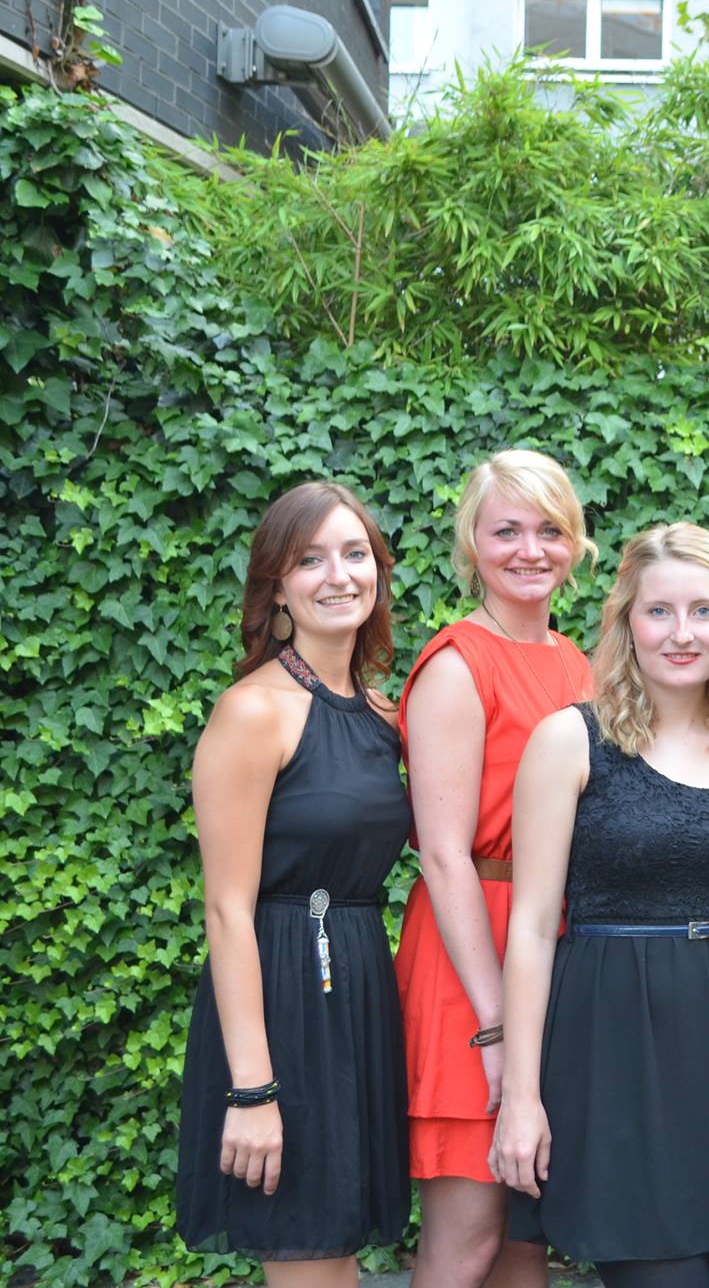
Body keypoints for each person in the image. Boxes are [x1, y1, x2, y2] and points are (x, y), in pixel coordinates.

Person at [491, 524, 709, 1288]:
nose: (681, 633)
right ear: (627, 621)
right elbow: (532, 928)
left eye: (702, 611)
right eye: (659, 611)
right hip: (611, 1054)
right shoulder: (569, 741)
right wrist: (522, 1097)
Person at [175, 482, 411, 1283]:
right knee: (303, 1252)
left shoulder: (383, 713)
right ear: (277, 586)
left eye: (355, 554)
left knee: (336, 1253)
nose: (338, 576)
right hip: (278, 998)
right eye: (311, 560)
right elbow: (225, 909)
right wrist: (252, 1089)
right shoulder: (253, 712)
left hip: (357, 988)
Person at [393, 449, 597, 1288]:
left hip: (554, 946)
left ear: (575, 542)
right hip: (470, 959)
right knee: (470, 1237)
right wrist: (495, 1025)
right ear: (471, 545)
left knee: (524, 1240)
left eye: (550, 529)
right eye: (506, 530)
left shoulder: (580, 663)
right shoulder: (457, 664)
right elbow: (444, 855)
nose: (530, 550)